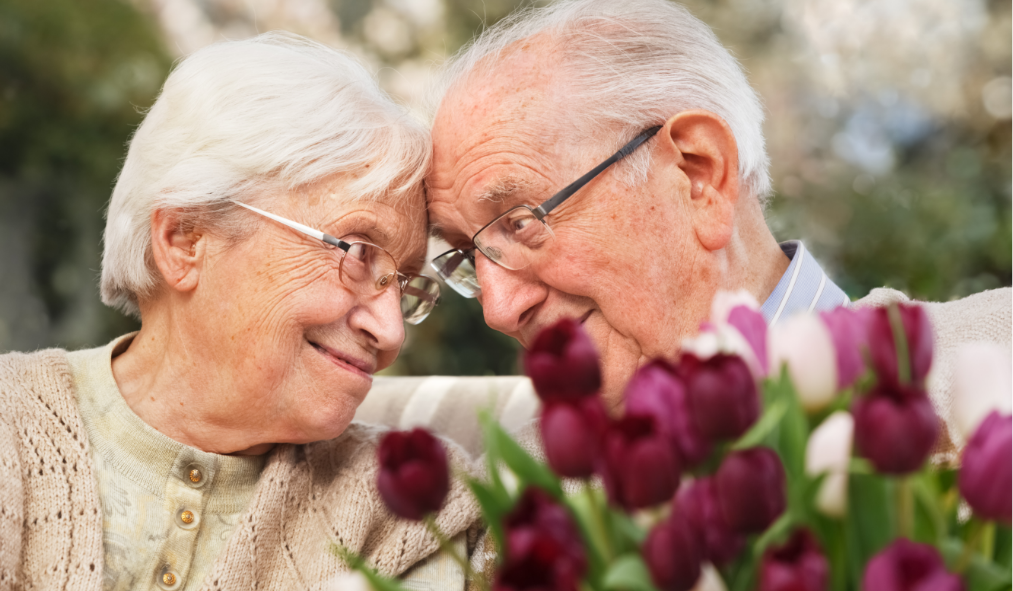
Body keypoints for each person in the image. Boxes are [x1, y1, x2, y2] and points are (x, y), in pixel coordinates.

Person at [422, 0, 1013, 452]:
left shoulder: (992, 362)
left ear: (699, 175)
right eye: (465, 259)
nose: (497, 309)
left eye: (521, 222)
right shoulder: (522, 493)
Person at [0, 33, 477, 590]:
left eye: (404, 284)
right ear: (185, 239)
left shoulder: (409, 507)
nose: (391, 331)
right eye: (356, 251)